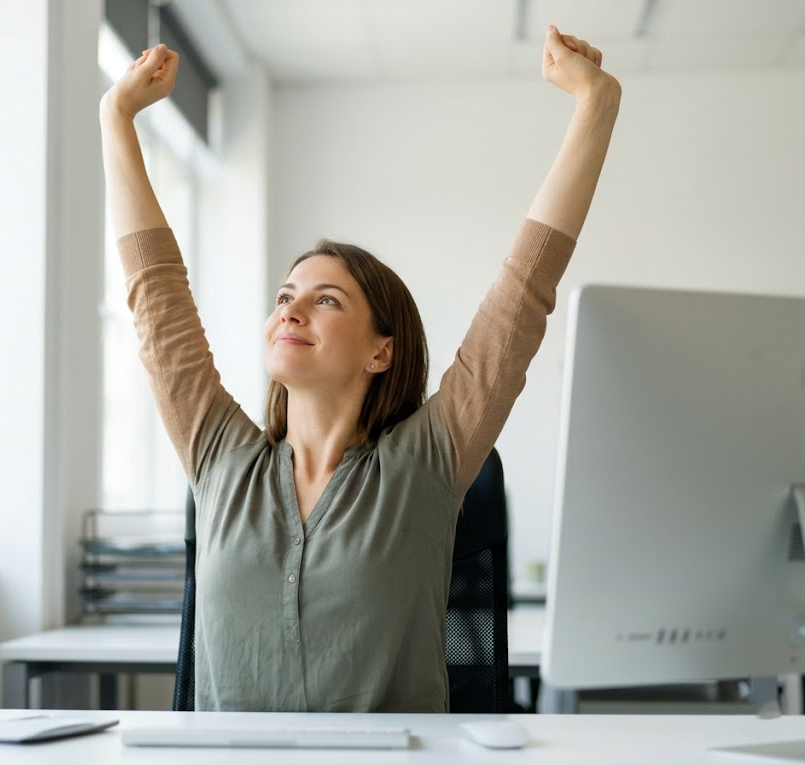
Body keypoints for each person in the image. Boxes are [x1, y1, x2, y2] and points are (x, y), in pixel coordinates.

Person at [100, 25, 621, 713]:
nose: (291, 311)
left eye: (326, 300)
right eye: (285, 298)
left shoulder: (426, 463)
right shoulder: (219, 456)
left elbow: (523, 296)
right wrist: (116, 118)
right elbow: (156, 298)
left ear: (382, 350)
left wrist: (595, 107)